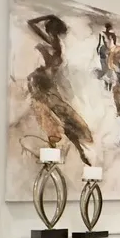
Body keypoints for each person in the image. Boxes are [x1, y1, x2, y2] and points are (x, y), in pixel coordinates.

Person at [26, 14, 94, 165]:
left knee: (60, 115)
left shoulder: (54, 45)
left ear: (52, 30)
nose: (45, 29)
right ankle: (77, 151)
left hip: (42, 83)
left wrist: (48, 17)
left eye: (48, 28)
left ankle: (75, 151)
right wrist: (49, 16)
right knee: (58, 115)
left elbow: (31, 23)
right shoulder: (52, 43)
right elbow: (30, 23)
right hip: (41, 83)